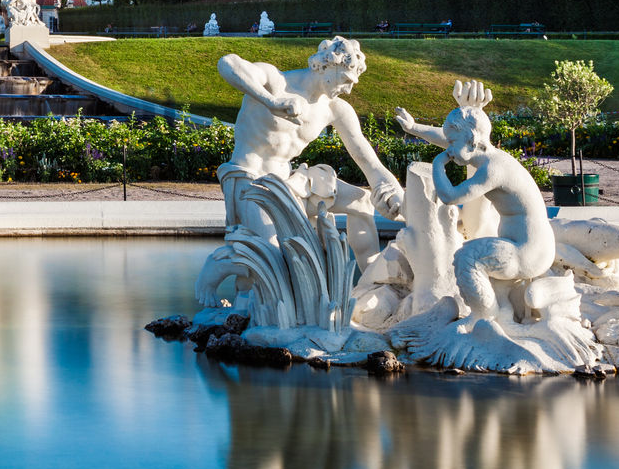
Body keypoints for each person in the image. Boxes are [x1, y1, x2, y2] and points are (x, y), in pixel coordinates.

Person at [217, 37, 403, 265]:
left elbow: (370, 164)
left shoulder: (335, 109)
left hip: (292, 180)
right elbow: (228, 63)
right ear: (326, 65)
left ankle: (372, 284)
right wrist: (271, 102)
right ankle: (218, 269)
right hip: (251, 180)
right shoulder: (276, 81)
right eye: (346, 79)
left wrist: (396, 197)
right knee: (275, 260)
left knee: (362, 202)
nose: (349, 89)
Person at [394, 82, 554, 321]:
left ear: (470, 138)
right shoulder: (486, 155)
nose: (448, 149)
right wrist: (414, 127)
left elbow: (450, 197)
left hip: (528, 252)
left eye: (452, 143)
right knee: (479, 258)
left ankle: (484, 320)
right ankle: (503, 314)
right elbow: (450, 141)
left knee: (467, 257)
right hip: (527, 247)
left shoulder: (493, 170)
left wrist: (438, 165)